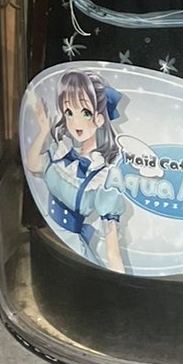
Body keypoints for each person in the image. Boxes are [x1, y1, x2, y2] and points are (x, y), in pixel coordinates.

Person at [24, 70, 127, 272]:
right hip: (45, 238)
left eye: (85, 113)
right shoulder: (61, 153)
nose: (75, 122)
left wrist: (119, 284)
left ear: (99, 119)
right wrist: (43, 130)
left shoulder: (102, 177)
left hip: (71, 250)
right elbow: (33, 165)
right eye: (69, 112)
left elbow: (112, 252)